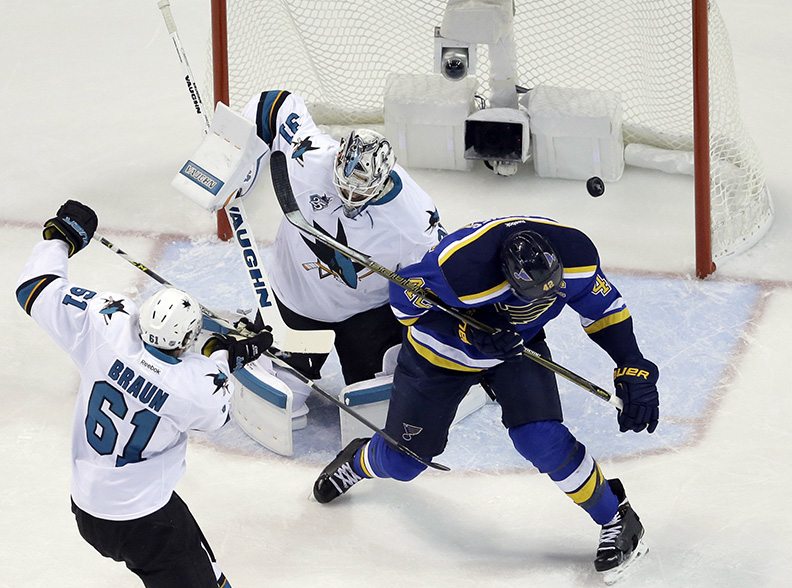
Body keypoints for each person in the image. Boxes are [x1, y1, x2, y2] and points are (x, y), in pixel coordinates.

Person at [312, 215, 659, 582]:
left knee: (540, 437)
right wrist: (466, 332)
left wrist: (631, 364)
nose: (548, 298)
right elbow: (402, 303)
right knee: (404, 463)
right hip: (439, 355)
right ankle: (360, 459)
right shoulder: (458, 268)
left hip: (515, 350)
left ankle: (616, 516)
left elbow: (604, 308)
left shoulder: (576, 254)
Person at [15, 200, 273, 588]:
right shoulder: (194, 389)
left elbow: (33, 289)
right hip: (147, 521)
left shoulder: (107, 327)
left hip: (88, 508)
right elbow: (216, 405)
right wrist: (226, 351)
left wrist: (61, 239)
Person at [238, 89, 445, 421]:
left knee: (383, 406)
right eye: (343, 187)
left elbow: (436, 285)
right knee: (284, 400)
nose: (348, 198)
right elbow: (274, 104)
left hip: (367, 315)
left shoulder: (415, 220)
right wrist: (234, 157)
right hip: (294, 300)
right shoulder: (311, 158)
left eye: (358, 192)